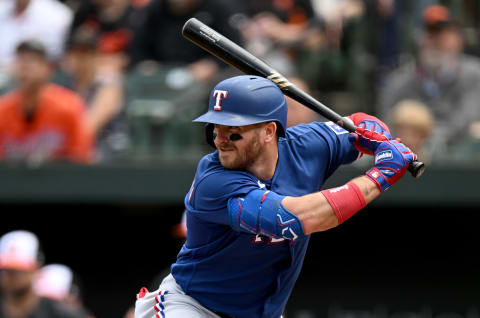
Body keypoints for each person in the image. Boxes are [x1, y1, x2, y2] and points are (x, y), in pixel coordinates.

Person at [134, 75, 417, 318]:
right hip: (194, 306)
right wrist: (377, 178)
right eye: (215, 130)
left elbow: (357, 125)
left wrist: (375, 131)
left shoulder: (308, 144)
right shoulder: (214, 178)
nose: (221, 140)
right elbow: (295, 217)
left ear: (269, 131)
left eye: (233, 132)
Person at [378, 4, 480, 151]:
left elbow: (467, 118)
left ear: (457, 40)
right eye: (429, 33)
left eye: (441, 34)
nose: (434, 40)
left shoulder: (474, 76)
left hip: (459, 158)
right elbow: (386, 125)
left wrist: (425, 138)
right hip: (409, 158)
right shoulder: (398, 81)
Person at [0, 40, 93, 164]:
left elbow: (82, 158)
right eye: (20, 59)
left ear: (48, 68)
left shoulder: (69, 106)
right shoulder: (3, 110)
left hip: (61, 180)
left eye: (33, 60)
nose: (25, 66)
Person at [0, 230, 84, 318]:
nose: (9, 276)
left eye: (18, 270)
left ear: (36, 268)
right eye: (4, 269)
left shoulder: (60, 313)